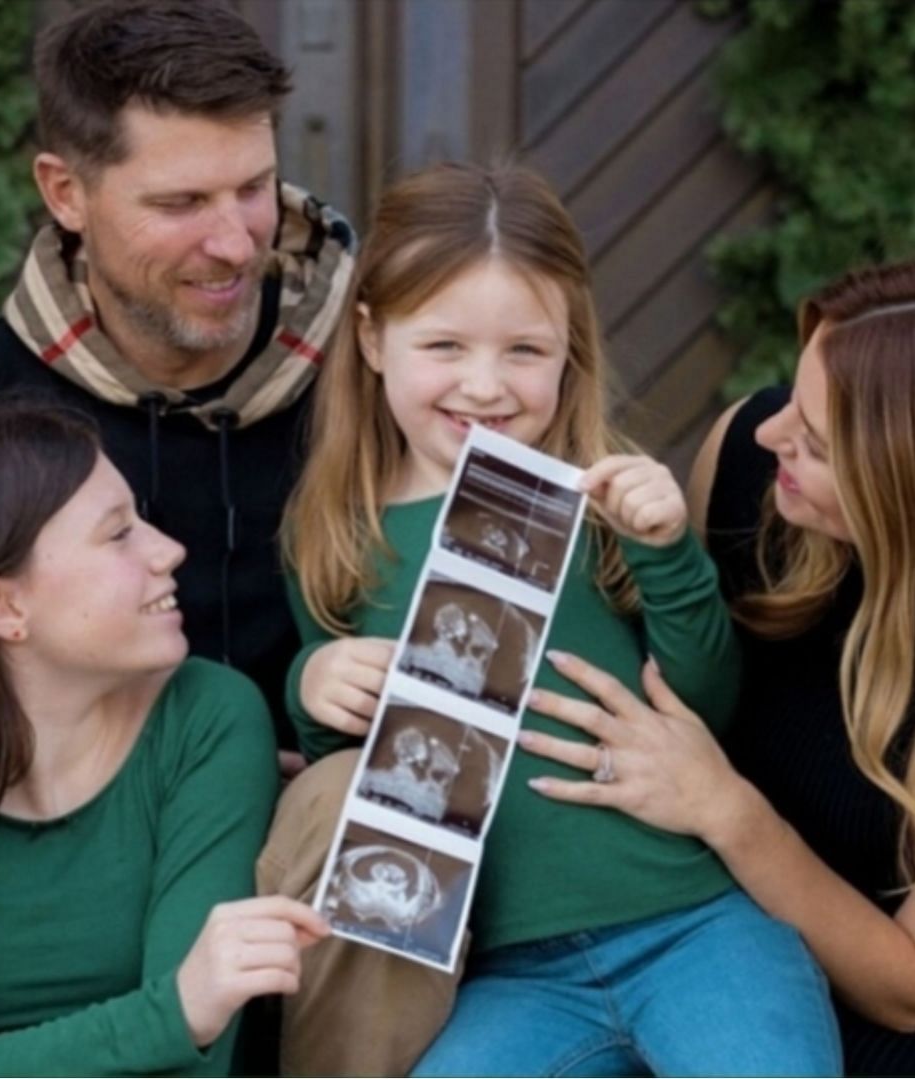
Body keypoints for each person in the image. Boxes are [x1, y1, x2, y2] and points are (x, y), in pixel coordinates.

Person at [270, 161, 841, 1076]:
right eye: (445, 346)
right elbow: (349, 763)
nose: (486, 386)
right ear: (373, 340)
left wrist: (666, 555)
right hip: (505, 973)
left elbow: (707, 698)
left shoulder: (601, 493)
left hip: (692, 926)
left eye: (525, 352)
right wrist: (313, 681)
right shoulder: (337, 530)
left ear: (570, 349)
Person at [519, 251, 915, 1077]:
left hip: (875, 1029)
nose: (767, 431)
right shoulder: (749, 466)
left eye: (817, 442)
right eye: (793, 396)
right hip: (670, 950)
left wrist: (726, 807)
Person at [0, 0, 356, 761]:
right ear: (66, 194)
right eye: (180, 203)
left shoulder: (380, 366)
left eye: (254, 188)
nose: (232, 243)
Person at [0, 397, 327, 1077]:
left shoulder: (206, 716)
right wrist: (168, 1016)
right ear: (5, 604)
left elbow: (199, 1062)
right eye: (118, 534)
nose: (170, 550)